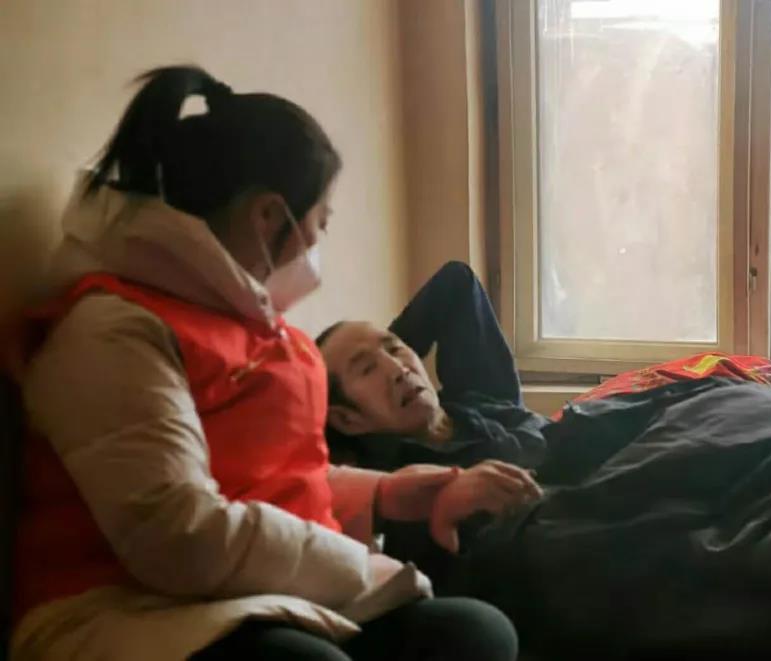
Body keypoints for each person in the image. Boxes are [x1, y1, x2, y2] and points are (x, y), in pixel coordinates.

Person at [10, 66, 537, 661]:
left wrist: (387, 494)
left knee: (475, 632)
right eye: (318, 224)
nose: (315, 247)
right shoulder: (113, 333)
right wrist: (352, 563)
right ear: (268, 218)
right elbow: (177, 536)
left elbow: (272, 479)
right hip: (130, 608)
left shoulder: (251, 327)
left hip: (251, 590)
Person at [318, 261, 771, 660]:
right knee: (700, 549)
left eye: (397, 349)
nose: (398, 367)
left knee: (740, 408)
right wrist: (317, 404)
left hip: (624, 446)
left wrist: (379, 352)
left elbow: (455, 284)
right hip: (566, 515)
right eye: (368, 369)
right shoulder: (389, 481)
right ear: (345, 419)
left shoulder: (480, 398)